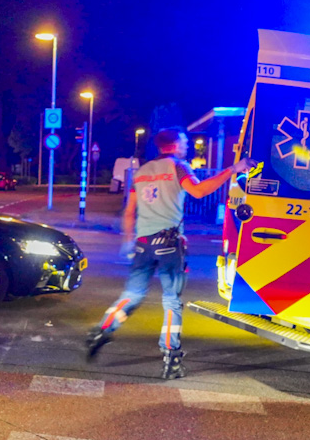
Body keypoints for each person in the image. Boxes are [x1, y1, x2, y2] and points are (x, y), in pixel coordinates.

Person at [85, 128, 251, 379]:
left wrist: (129, 241)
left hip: (142, 244)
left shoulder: (141, 173)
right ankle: (171, 358)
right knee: (171, 300)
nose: (187, 146)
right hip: (169, 244)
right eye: (184, 142)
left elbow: (130, 211)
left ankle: (103, 329)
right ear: (174, 145)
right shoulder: (179, 166)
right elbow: (199, 191)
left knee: (133, 293)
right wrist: (232, 169)